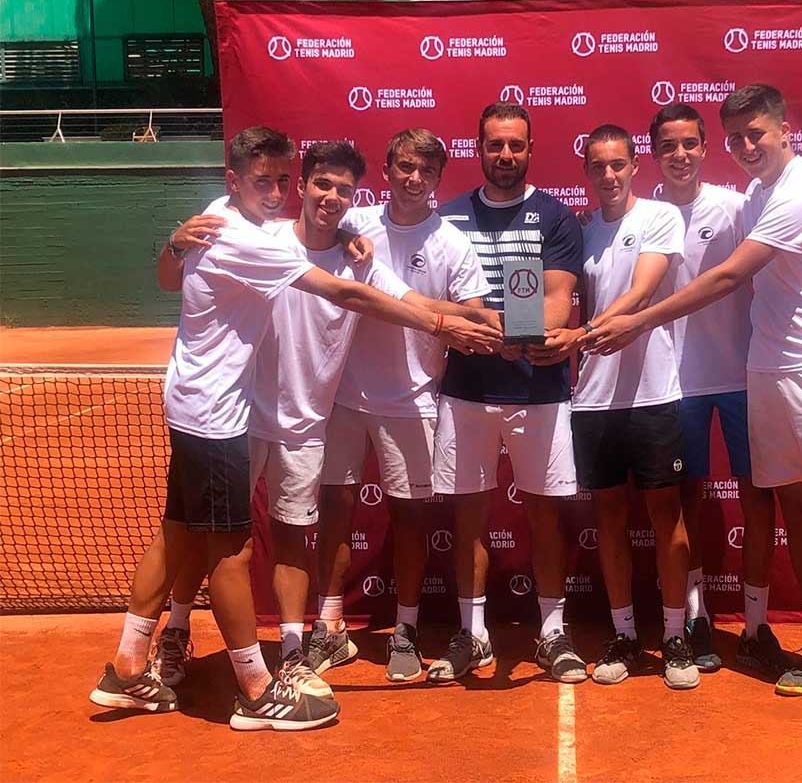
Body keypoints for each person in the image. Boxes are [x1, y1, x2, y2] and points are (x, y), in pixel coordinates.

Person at [89, 127, 499, 731]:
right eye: (283, 182)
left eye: (287, 180)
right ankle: (254, 689)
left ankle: (134, 665)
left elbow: (388, 289)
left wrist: (484, 318)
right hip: (228, 414)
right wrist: (440, 325)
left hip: (260, 417)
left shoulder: (249, 222)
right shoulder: (259, 239)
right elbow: (345, 294)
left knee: (185, 532)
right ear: (242, 183)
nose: (295, 192)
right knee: (227, 549)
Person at [584, 86, 802, 725]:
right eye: (735, 137)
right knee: (795, 503)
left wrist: (638, 322)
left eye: (754, 134)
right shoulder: (760, 195)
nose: (744, 146)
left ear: (784, 129)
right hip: (766, 369)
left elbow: (731, 276)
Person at [312, 129, 493, 683]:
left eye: (427, 171)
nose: (415, 179)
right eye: (405, 167)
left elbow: (471, 313)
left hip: (413, 399)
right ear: (387, 170)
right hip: (341, 393)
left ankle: (406, 631)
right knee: (335, 511)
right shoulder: (352, 225)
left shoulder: (454, 244)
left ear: (440, 179)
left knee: (410, 519)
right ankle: (330, 626)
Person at [533, 123, 699, 691]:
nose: (608, 175)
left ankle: (675, 637)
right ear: (586, 172)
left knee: (665, 517)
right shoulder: (578, 233)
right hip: (594, 401)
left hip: (654, 394)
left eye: (618, 165)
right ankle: (625, 633)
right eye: (597, 166)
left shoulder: (658, 217)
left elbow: (641, 295)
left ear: (634, 166)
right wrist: (526, 331)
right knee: (608, 520)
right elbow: (550, 292)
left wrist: (578, 337)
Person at [429, 102, 588, 684]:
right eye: (495, 145)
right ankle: (472, 635)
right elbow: (444, 301)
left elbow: (554, 302)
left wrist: (495, 327)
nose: (505, 156)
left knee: (546, 514)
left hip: (539, 389)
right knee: (468, 517)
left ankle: (551, 632)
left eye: (515, 145)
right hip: (467, 389)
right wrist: (479, 324)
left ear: (530, 148)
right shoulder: (446, 220)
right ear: (478, 148)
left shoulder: (556, 218)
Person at [648, 103, 789, 677]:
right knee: (688, 504)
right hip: (672, 385)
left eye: (689, 144)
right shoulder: (645, 215)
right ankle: (698, 616)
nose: (679, 155)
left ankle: (755, 626)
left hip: (740, 379)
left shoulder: (738, 208)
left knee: (758, 498)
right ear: (654, 153)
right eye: (667, 146)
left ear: (706, 148)